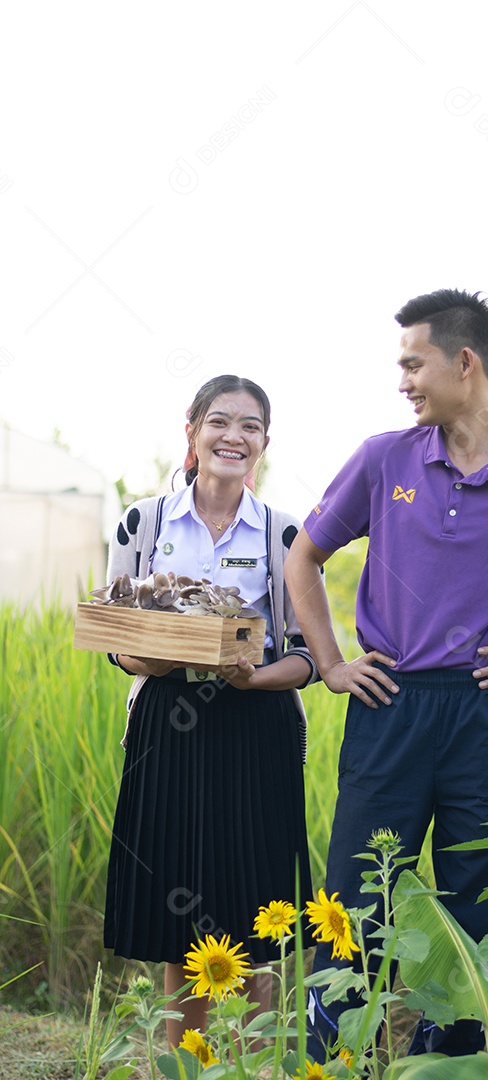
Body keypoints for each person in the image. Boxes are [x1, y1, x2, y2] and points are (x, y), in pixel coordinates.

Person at [284, 288, 488, 1060]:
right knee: (357, 904)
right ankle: (332, 1064)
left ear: (464, 363)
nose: (403, 381)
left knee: (480, 912)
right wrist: (332, 665)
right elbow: (304, 555)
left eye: (414, 364)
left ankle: (451, 1064)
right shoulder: (383, 459)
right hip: (392, 705)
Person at [103, 374, 317, 1048]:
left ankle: (252, 1059)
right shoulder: (144, 522)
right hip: (171, 726)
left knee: (259, 906)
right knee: (180, 904)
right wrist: (158, 656)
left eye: (250, 426)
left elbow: (307, 657)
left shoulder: (286, 533)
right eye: (220, 421)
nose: (234, 437)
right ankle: (182, 1060)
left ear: (264, 443)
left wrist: (252, 677)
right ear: (192, 430)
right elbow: (117, 642)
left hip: (257, 727)